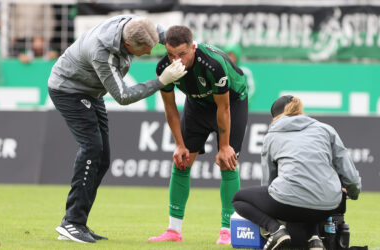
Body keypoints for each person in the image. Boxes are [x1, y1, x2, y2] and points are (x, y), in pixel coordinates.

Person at [48, 15, 186, 243]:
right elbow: (122, 96)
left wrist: (193, 48)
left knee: (103, 158)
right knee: (92, 148)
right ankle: (71, 222)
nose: (150, 53)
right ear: (129, 45)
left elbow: (167, 34)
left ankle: (78, 222)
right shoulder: (102, 51)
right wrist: (161, 81)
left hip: (92, 91)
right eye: (146, 50)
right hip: (69, 90)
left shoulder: (139, 26)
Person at [148, 25, 248, 245]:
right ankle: (173, 231)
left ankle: (228, 230)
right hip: (197, 103)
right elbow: (171, 109)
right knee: (181, 162)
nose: (177, 61)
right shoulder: (164, 67)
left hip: (232, 101)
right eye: (172, 54)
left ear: (192, 47)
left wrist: (224, 146)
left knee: (228, 162)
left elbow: (224, 108)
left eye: (182, 54)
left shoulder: (213, 64)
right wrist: (179, 144)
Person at [232, 95, 362, 250]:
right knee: (310, 194)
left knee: (238, 199)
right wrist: (352, 193)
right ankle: (314, 238)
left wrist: (273, 214)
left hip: (290, 205)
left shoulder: (272, 135)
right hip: (329, 206)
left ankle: (276, 231)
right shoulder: (326, 129)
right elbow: (349, 174)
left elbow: (269, 182)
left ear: (275, 117)